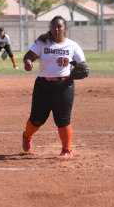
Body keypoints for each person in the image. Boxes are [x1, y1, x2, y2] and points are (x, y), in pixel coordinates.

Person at [22, 15, 89, 158]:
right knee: (37, 119)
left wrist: (83, 69)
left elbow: (84, 65)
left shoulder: (73, 45)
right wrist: (28, 62)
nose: (56, 29)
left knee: (63, 119)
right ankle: (27, 137)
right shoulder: (42, 43)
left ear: (65, 29)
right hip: (43, 85)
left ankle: (66, 150)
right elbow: (28, 55)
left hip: (64, 85)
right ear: (50, 28)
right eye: (53, 26)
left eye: (59, 26)